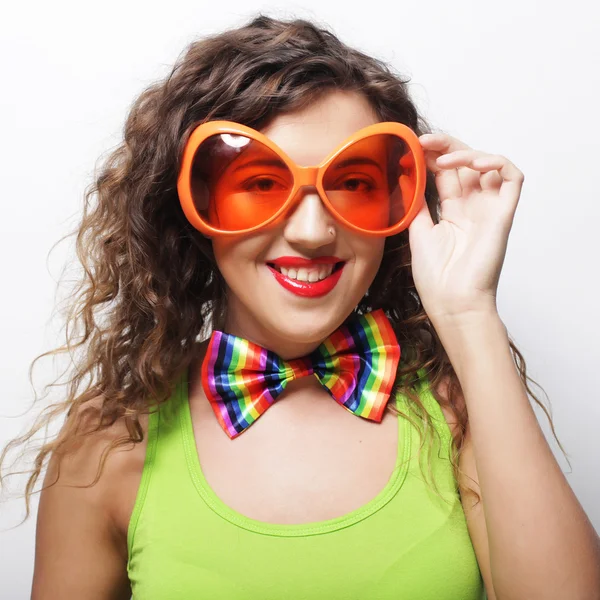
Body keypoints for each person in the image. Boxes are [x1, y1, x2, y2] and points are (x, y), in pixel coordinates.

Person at [2, 13, 599, 600]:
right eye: (261, 184)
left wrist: (468, 310)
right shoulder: (110, 442)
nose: (313, 232)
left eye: (353, 183)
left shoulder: (458, 414)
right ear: (192, 207)